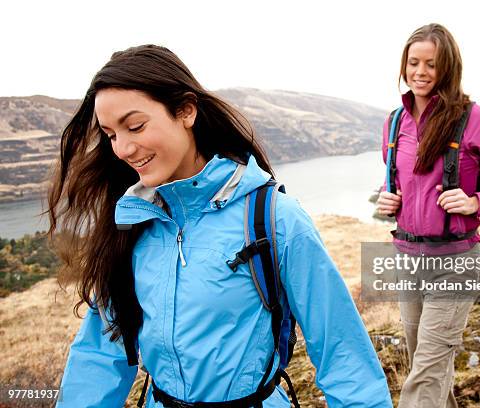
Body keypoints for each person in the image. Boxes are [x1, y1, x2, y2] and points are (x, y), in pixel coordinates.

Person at [48, 44, 392, 408]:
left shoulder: (275, 218)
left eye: (135, 126)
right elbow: (99, 358)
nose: (123, 149)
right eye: (111, 134)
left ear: (185, 111)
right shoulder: (130, 224)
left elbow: (343, 355)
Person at [376, 24, 480, 407]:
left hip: (454, 263)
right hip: (407, 259)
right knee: (427, 363)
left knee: (426, 369)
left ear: (448, 69)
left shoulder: (476, 119)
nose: (420, 72)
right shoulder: (394, 122)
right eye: (413, 62)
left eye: (431, 64)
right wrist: (386, 201)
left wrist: (477, 202)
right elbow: (400, 186)